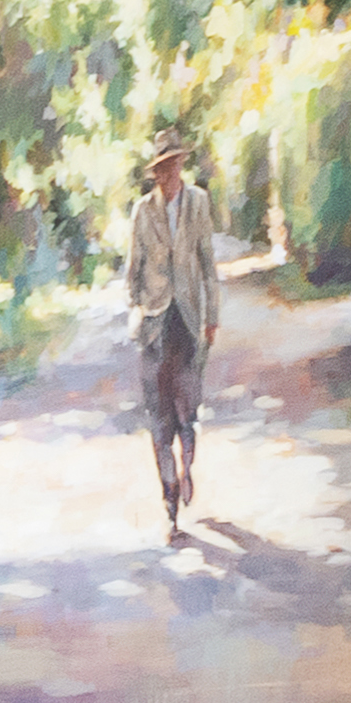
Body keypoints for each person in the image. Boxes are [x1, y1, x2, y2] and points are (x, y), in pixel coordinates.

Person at [126, 135, 223, 540]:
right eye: (162, 168)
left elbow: (207, 263)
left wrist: (211, 317)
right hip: (153, 324)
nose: (168, 173)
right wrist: (138, 306)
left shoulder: (198, 203)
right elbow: (133, 269)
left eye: (174, 165)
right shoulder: (141, 211)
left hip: (187, 319)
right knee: (158, 414)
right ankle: (169, 503)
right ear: (155, 172)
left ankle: (186, 470)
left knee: (188, 412)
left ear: (181, 165)